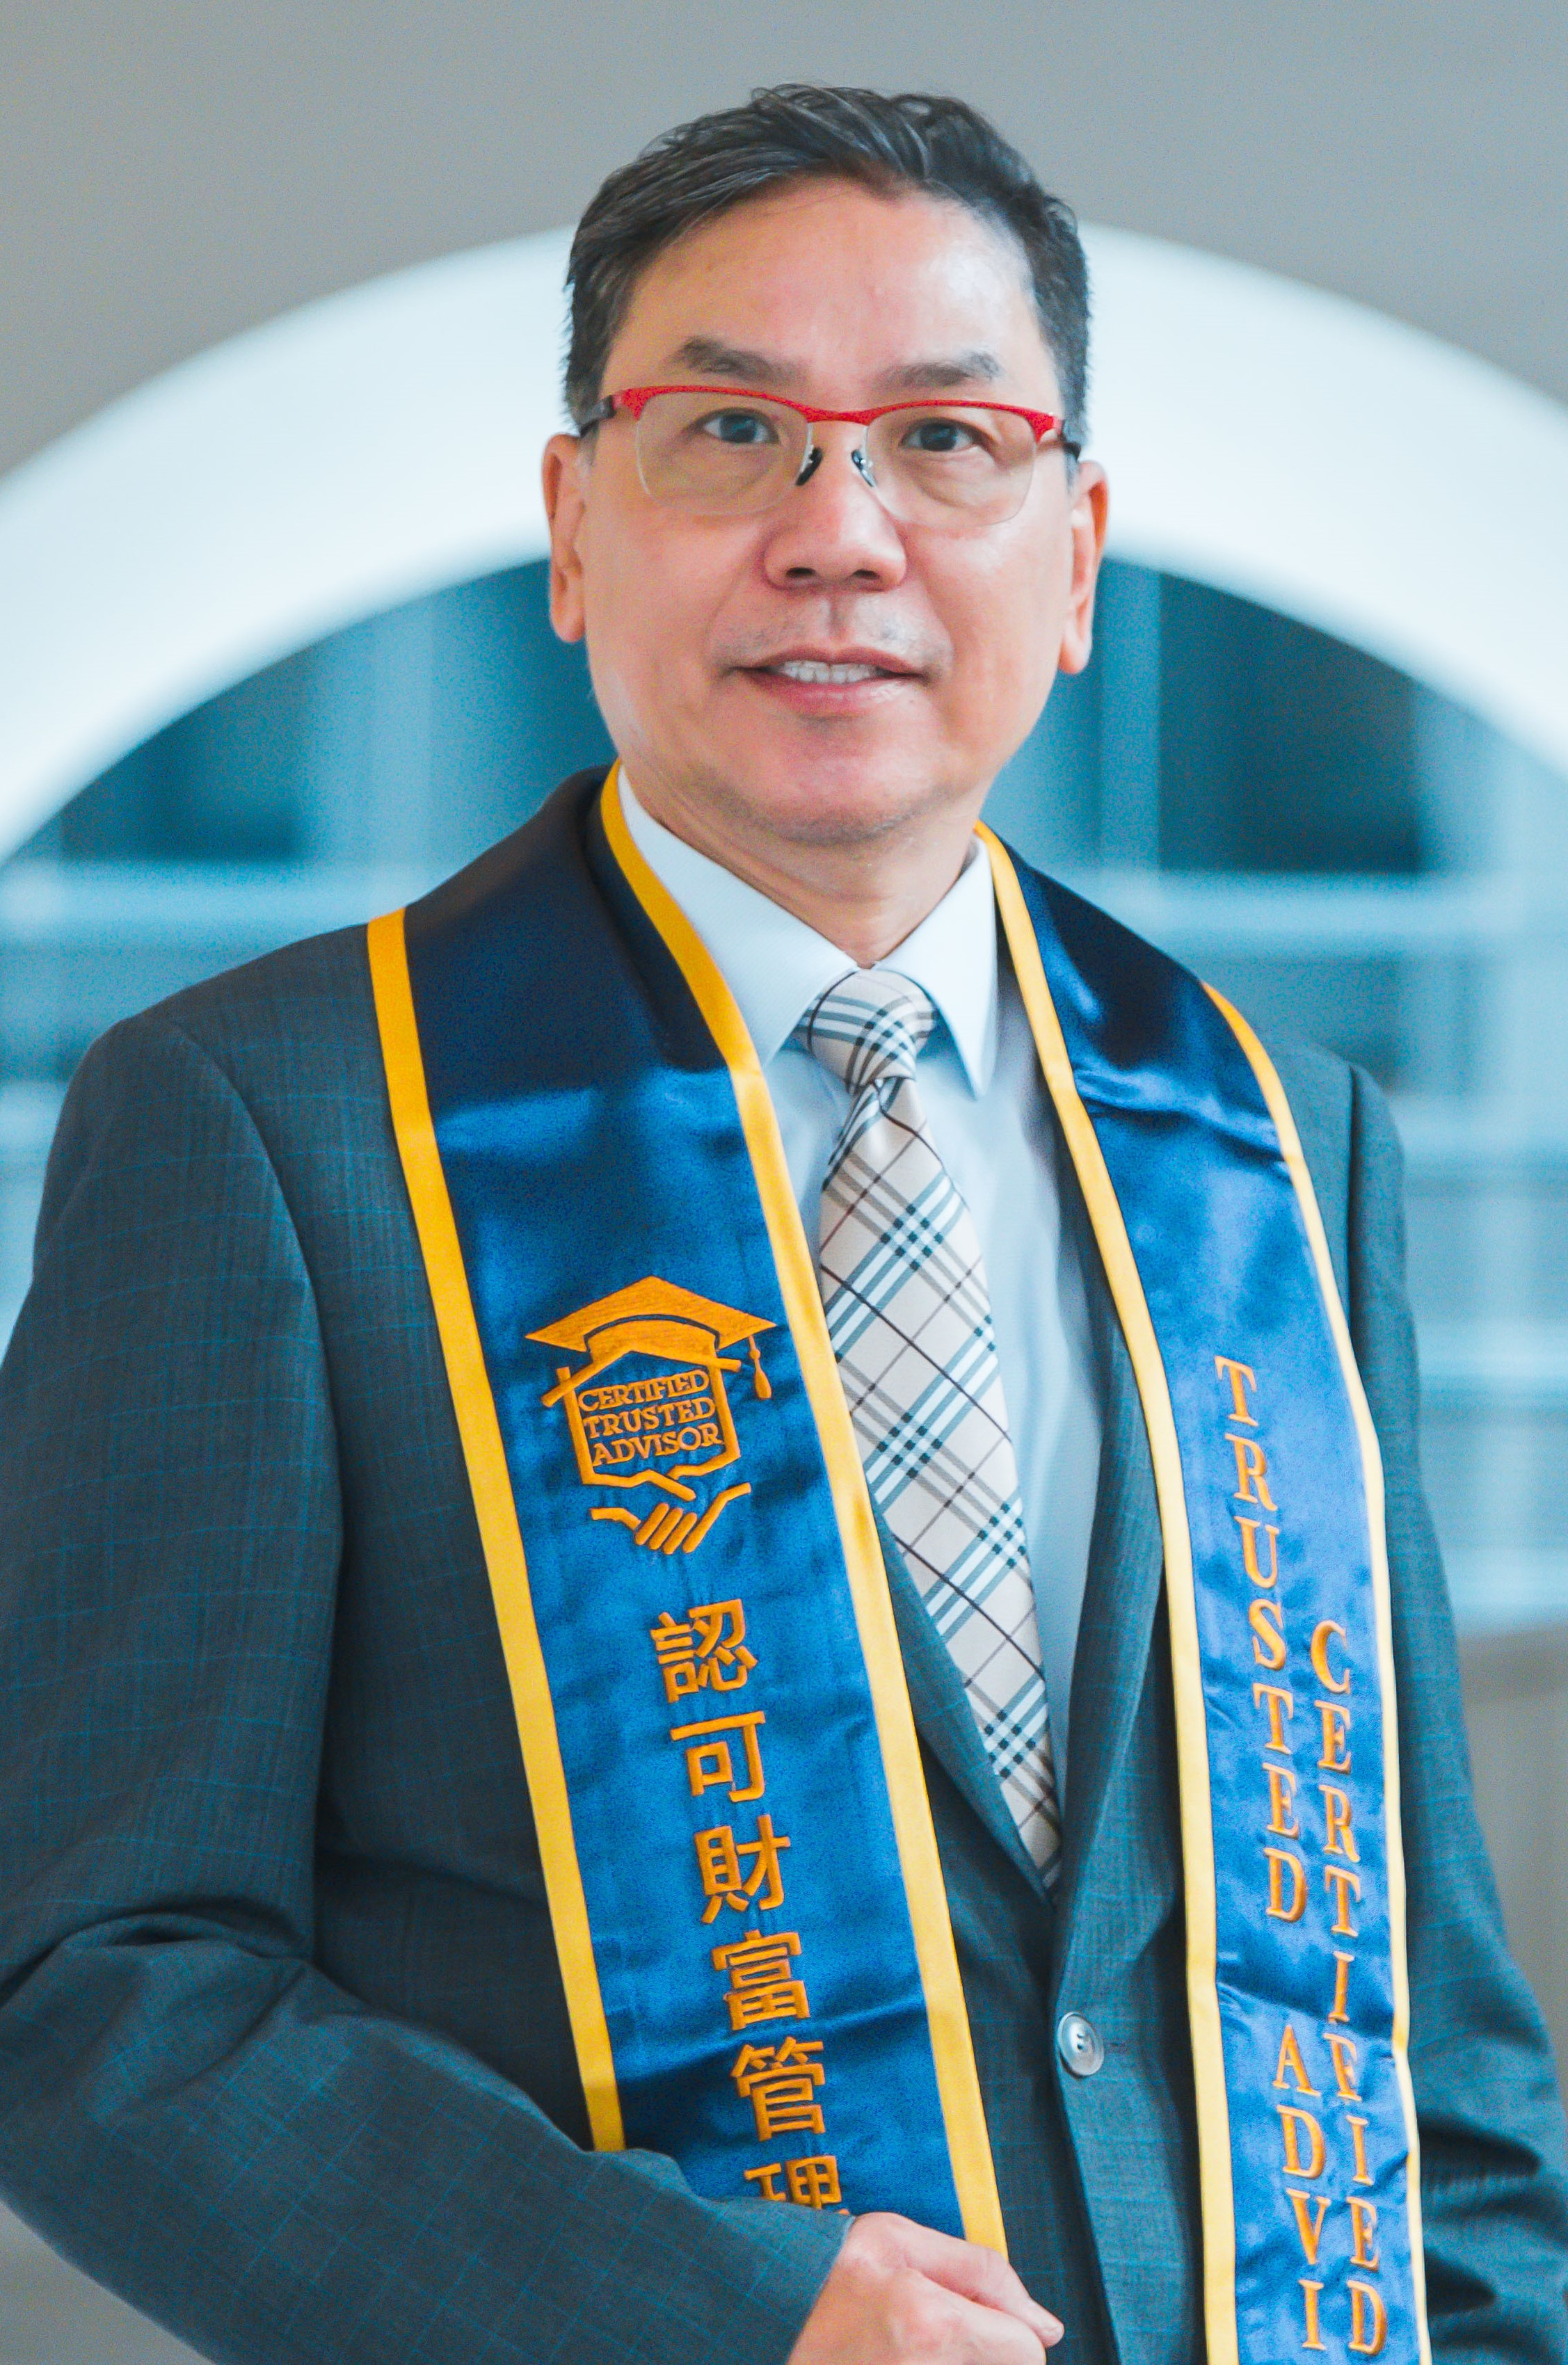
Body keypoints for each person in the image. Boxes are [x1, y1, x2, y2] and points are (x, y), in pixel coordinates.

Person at [0, 82, 1562, 2365]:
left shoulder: (1275, 1141)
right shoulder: (270, 1133)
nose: (840, 533)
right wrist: (709, 2313)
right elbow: (91, 1992)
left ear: (1077, 551)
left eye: (944, 441)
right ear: (573, 523)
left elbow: (1425, 2019)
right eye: (731, 434)